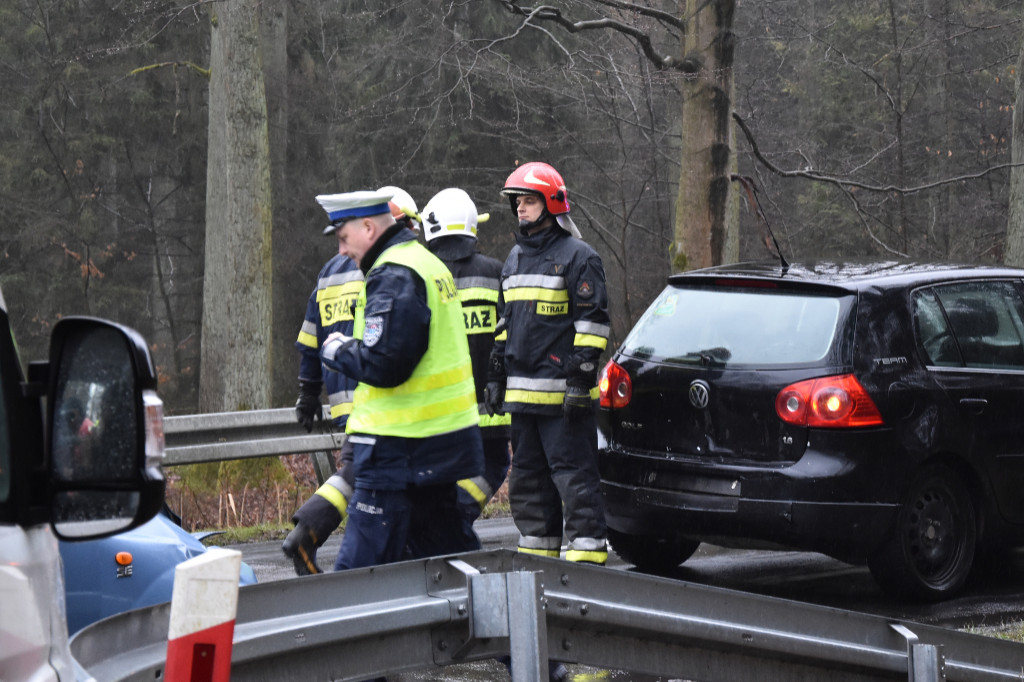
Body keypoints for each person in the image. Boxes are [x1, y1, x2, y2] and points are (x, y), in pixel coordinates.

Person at [317, 188, 484, 569]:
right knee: (449, 565)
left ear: (368, 228)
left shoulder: (393, 274)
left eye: (344, 239)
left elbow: (386, 364)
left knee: (360, 572)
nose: (342, 252)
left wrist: (338, 350)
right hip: (439, 444)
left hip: (399, 450)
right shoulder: (423, 262)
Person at [283, 187, 420, 575]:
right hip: (379, 395)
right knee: (370, 476)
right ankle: (320, 539)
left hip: (344, 400)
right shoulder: (386, 268)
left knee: (354, 470)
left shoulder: (328, 272)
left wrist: (308, 391)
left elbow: (310, 338)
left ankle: (317, 536)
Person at [485, 161, 611, 565]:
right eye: (517, 202)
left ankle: (587, 559)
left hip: (563, 400)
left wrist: (579, 382)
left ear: (552, 204)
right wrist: (496, 372)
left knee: (574, 480)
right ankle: (538, 562)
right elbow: (504, 325)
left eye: (528, 201)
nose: (520, 209)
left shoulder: (580, 258)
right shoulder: (514, 259)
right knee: (528, 483)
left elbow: (592, 327)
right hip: (522, 401)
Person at [420, 188, 511, 546]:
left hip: (437, 407)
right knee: (493, 465)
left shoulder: (422, 274)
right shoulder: (496, 273)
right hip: (489, 406)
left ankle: (444, 523)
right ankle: (454, 519)